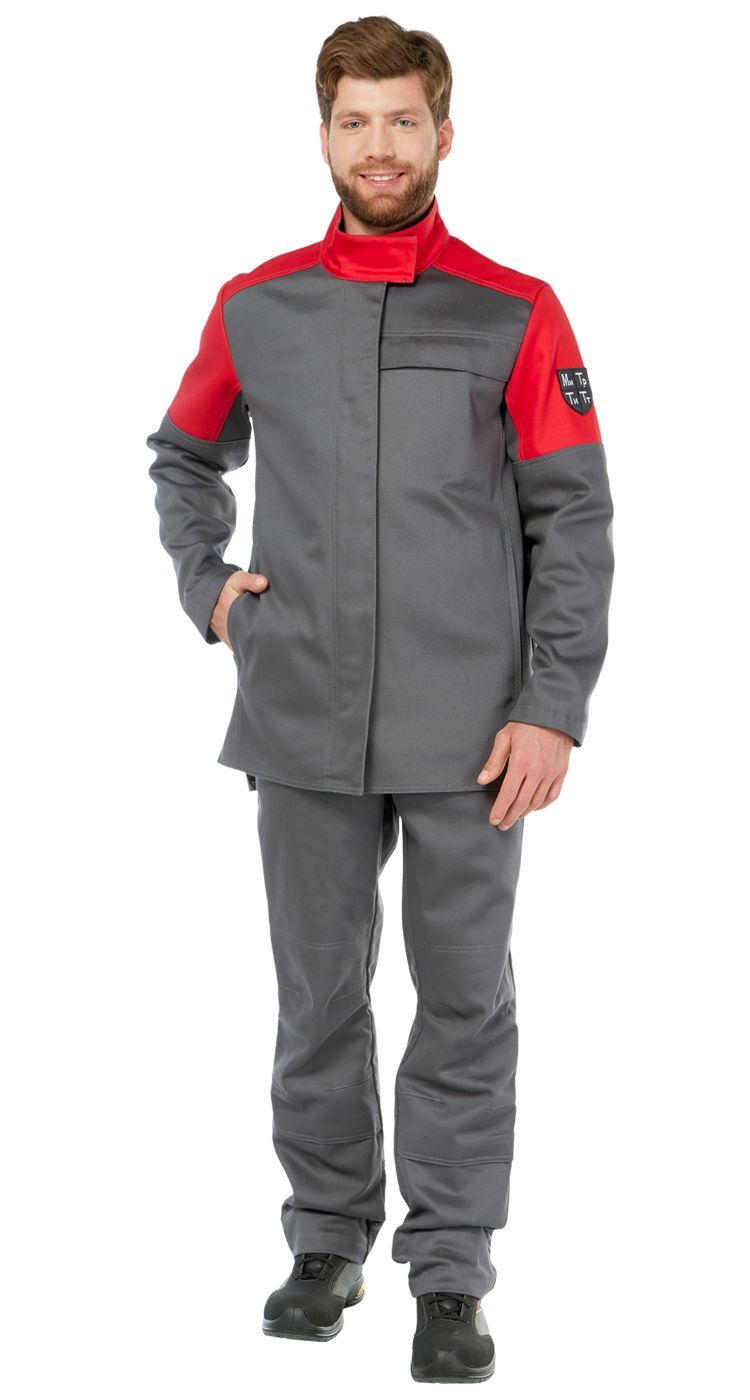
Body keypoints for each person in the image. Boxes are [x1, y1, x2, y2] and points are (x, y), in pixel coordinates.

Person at [146, 15, 615, 1385]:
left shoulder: (517, 310)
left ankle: (451, 1270)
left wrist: (553, 703)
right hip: (299, 709)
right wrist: (209, 587)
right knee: (316, 997)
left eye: (403, 120)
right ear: (323, 137)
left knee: (464, 999)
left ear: (443, 134)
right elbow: (182, 456)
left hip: (475, 729)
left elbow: (574, 518)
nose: (380, 146)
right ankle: (324, 1240)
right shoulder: (256, 305)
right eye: (355, 121)